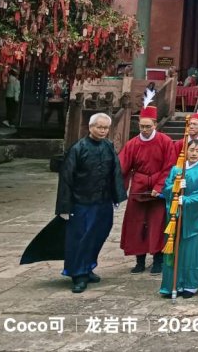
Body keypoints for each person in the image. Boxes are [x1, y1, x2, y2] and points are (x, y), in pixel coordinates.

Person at [56, 112, 128, 293]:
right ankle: (77, 273)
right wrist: (65, 206)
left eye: (105, 128)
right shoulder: (78, 148)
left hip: (103, 201)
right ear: (90, 127)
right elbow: (66, 178)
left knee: (98, 235)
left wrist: (116, 195)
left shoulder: (109, 146)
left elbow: (115, 172)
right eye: (99, 127)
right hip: (82, 202)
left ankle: (88, 267)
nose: (103, 131)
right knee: (81, 237)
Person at [119, 92, 175, 275]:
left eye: (148, 126)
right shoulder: (132, 144)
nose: (144, 130)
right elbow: (123, 166)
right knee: (137, 223)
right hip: (139, 185)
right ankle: (139, 259)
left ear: (155, 125)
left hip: (158, 188)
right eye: (142, 126)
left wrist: (159, 187)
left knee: (157, 223)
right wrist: (119, 188)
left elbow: (169, 167)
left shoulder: (165, 142)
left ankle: (157, 258)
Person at [159, 139, 198, 298]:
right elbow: (166, 188)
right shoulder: (176, 169)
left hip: (194, 218)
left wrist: (187, 200)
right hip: (177, 215)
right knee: (175, 249)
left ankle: (191, 285)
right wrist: (175, 187)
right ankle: (172, 284)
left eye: (197, 150)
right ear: (185, 151)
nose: (194, 153)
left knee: (192, 251)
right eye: (191, 150)